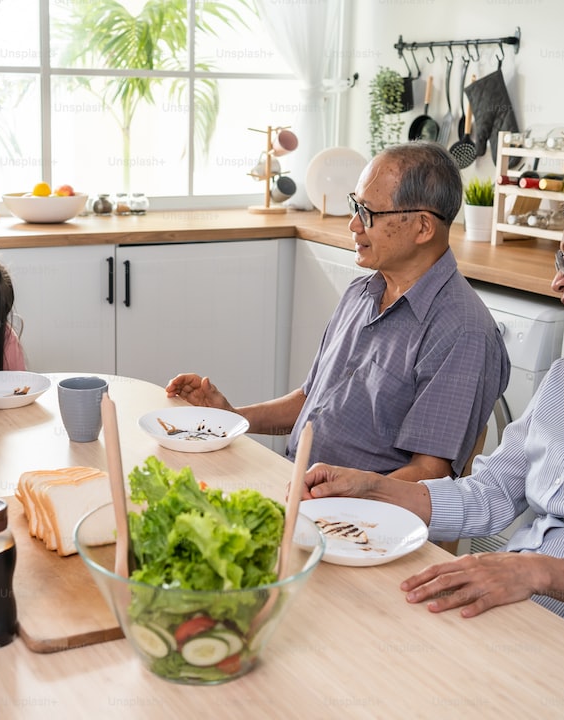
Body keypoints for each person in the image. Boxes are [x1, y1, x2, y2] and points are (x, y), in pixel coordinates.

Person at [302, 179, 564, 678]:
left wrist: (535, 570)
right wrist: (375, 489)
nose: (558, 281)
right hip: (506, 619)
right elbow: (488, 496)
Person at [168, 141, 509, 480]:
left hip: (361, 520)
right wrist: (230, 418)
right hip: (298, 487)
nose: (354, 225)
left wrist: (338, 492)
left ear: (422, 227)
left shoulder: (462, 332)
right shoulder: (361, 293)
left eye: (369, 213)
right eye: (355, 206)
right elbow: (310, 401)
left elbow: (428, 476)